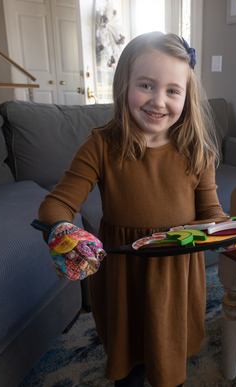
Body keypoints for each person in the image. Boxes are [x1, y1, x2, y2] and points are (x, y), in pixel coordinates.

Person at [37, 32, 225, 387]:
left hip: (176, 277)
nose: (158, 101)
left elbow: (212, 214)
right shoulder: (100, 146)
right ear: (124, 85)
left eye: (173, 90)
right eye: (146, 85)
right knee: (128, 365)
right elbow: (57, 202)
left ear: (187, 96)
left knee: (170, 363)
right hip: (123, 276)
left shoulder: (198, 152)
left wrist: (230, 231)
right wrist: (63, 228)